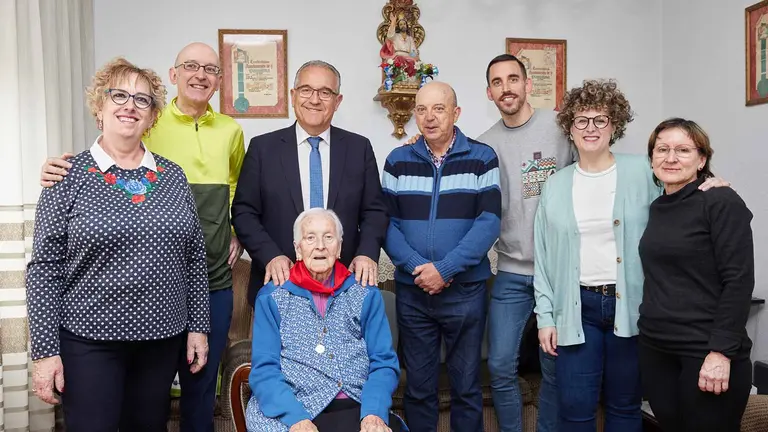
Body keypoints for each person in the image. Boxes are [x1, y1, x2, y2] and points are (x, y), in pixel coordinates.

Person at [38, 42, 245, 432]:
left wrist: (198, 327)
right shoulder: (66, 175)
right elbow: (45, 269)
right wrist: (45, 351)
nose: (130, 106)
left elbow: (193, 258)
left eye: (142, 99)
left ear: (152, 116)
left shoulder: (172, 176)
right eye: (119, 95)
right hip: (89, 341)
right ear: (99, 107)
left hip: (160, 342)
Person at [533, 80, 729, 432]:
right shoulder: (555, 184)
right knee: (574, 408)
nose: (590, 128)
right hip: (577, 309)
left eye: (601, 119)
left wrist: (712, 184)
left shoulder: (645, 171)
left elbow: (683, 195)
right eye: (581, 120)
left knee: (625, 407)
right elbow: (544, 256)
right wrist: (545, 315)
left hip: (635, 308)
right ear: (570, 128)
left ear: (615, 125)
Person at [402, 54, 566, 432]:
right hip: (511, 270)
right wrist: (419, 145)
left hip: (559, 270)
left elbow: (596, 164)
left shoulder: (561, 128)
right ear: (489, 93)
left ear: (528, 84)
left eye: (513, 79)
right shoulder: (485, 147)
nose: (506, 88)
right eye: (497, 82)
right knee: (500, 365)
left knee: (556, 364)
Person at [381, 81, 501, 432]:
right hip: (414, 291)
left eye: (439, 109)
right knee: (419, 390)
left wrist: (446, 269)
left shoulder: (482, 158)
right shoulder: (397, 160)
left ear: (456, 113)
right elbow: (386, 223)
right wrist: (418, 268)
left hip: (465, 292)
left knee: (466, 387)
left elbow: (489, 222)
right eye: (421, 109)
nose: (429, 117)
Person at [231, 60, 389, 307]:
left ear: (337, 101)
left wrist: (366, 253)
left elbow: (375, 211)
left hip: (345, 286)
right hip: (280, 286)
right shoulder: (263, 148)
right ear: (293, 95)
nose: (314, 100)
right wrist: (270, 256)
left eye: (325, 92)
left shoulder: (359, 148)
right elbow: (244, 212)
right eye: (306, 90)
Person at [638, 118, 754, 432]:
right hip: (657, 349)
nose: (670, 157)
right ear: (652, 158)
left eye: (683, 150)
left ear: (702, 160)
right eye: (662, 149)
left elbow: (739, 280)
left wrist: (721, 352)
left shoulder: (721, 201)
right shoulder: (658, 206)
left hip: (705, 351)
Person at [246, 208, 405, 432]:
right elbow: (264, 370)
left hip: (357, 404)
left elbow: (384, 362)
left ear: (339, 248)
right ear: (298, 248)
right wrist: (297, 419)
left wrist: (373, 413)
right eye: (310, 238)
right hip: (295, 405)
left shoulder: (364, 294)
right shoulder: (272, 297)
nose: (320, 245)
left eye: (328, 237)